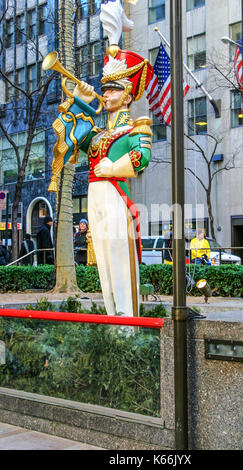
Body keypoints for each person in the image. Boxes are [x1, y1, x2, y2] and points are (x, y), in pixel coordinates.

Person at [48, 3, 154, 316]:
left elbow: (142, 157)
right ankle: (113, 317)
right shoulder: (97, 129)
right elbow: (76, 141)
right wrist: (79, 97)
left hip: (114, 195)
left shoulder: (136, 125)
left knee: (120, 260)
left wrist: (115, 167)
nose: (105, 94)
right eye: (104, 88)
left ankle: (128, 321)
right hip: (96, 197)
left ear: (128, 94)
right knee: (105, 265)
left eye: (112, 89)